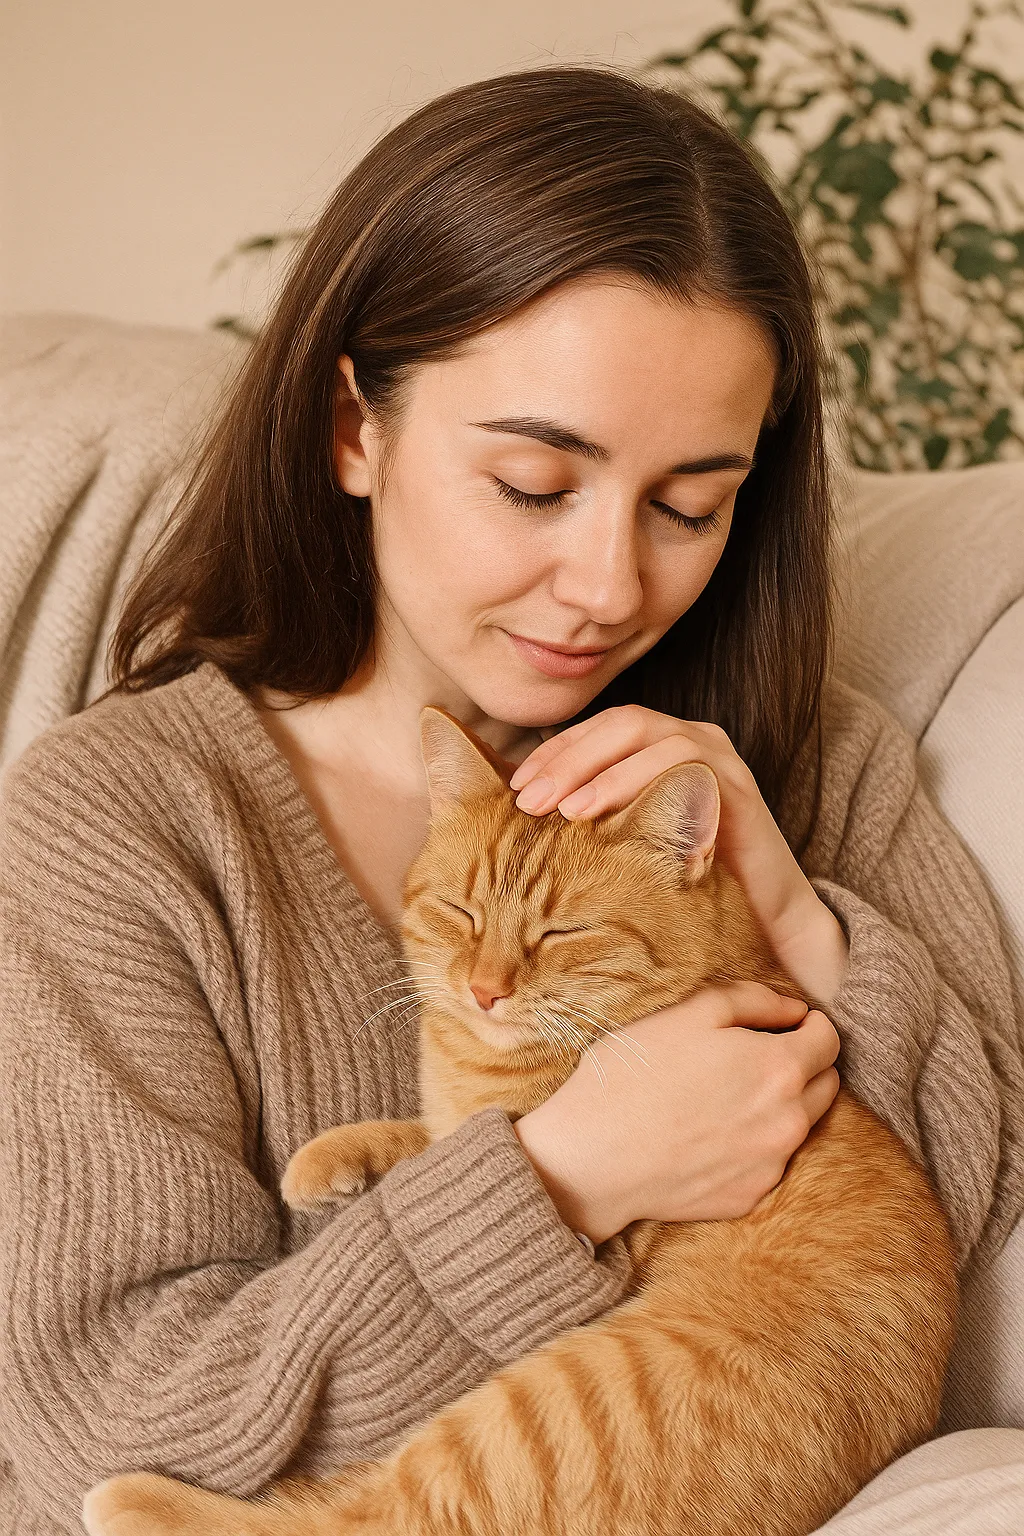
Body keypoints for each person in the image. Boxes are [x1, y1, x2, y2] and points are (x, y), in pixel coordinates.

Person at [1, 63, 1022, 1536]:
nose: (613, 586)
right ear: (354, 431)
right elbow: (110, 1435)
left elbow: (969, 1237)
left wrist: (789, 912)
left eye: (689, 504)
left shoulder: (799, 765)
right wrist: (560, 1179)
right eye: (539, 482)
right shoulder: (126, 825)